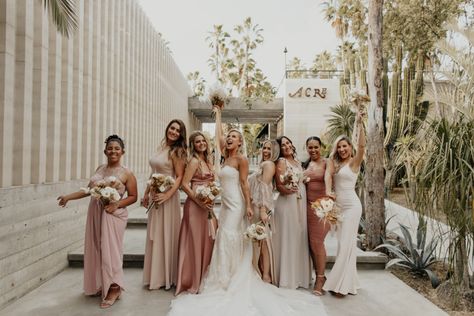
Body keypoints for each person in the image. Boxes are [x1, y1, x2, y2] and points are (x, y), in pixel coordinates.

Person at [167, 109, 327, 316]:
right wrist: (218, 113)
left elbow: (244, 183)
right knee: (224, 235)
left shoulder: (241, 159)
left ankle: (230, 277)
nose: (230, 138)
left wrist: (250, 205)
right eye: (229, 136)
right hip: (225, 205)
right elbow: (218, 138)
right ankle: (222, 275)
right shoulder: (224, 157)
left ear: (240, 142)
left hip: (237, 204)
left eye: (234, 136)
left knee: (229, 235)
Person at [57, 135, 138, 308]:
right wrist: (68, 197)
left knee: (111, 251)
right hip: (95, 212)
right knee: (96, 248)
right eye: (110, 148)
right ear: (105, 151)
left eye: (117, 148)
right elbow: (89, 190)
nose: (113, 151)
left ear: (123, 151)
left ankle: (115, 287)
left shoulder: (127, 173)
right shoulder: (100, 168)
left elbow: (133, 197)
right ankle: (100, 284)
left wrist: (116, 204)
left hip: (112, 214)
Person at [323, 110, 365, 297]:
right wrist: (328, 193)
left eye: (345, 146)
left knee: (347, 244)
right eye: (339, 147)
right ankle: (349, 281)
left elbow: (362, 147)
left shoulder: (354, 163)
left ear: (350, 147)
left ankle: (340, 285)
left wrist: (360, 123)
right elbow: (328, 176)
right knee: (342, 244)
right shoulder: (334, 163)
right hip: (338, 208)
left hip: (352, 207)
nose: (342, 149)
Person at [142, 119, 187, 290]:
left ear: (180, 134)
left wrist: (167, 195)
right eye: (172, 128)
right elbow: (153, 173)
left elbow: (180, 177)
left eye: (178, 130)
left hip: (167, 199)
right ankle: (154, 275)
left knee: (165, 234)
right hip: (155, 195)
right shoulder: (161, 147)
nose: (174, 132)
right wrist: (146, 193)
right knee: (154, 235)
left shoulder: (177, 152)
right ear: (167, 128)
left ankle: (166, 277)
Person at [175, 131, 215, 295]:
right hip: (195, 206)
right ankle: (192, 279)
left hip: (206, 205)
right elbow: (184, 184)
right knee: (195, 242)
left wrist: (211, 195)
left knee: (206, 240)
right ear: (193, 145)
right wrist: (199, 200)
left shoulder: (207, 161)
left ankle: (203, 275)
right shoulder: (193, 162)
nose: (201, 144)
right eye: (197, 142)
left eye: (203, 141)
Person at [273, 136, 311, 289]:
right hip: (288, 203)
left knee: (299, 236)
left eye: (288, 143)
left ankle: (299, 276)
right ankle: (287, 278)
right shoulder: (282, 162)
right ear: (280, 149)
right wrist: (288, 190)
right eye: (283, 145)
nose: (287, 146)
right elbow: (279, 186)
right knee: (288, 236)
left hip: (300, 202)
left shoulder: (298, 162)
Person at [302, 136, 331, 296]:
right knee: (311, 244)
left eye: (316, 147)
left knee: (318, 242)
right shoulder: (305, 165)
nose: (313, 150)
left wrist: (328, 194)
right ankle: (316, 274)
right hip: (307, 208)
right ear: (306, 148)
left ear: (321, 147)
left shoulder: (327, 162)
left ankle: (321, 278)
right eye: (310, 147)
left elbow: (328, 178)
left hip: (322, 207)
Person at [248, 139, 279, 284]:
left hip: (260, 208)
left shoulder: (269, 164)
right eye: (264, 148)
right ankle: (259, 271)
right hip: (254, 206)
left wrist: (262, 210)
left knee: (263, 242)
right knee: (257, 241)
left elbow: (265, 187)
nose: (266, 151)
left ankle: (266, 275)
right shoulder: (263, 164)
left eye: (269, 149)